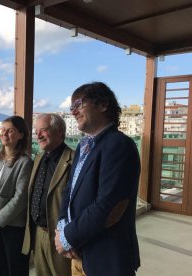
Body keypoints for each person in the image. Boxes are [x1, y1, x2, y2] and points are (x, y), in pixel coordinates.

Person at [55, 82, 141, 276]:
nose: (73, 111)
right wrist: (62, 227)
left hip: (106, 259)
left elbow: (108, 206)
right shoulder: (84, 145)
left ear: (102, 105)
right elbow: (69, 190)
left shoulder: (118, 145)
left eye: (79, 104)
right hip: (79, 253)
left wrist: (67, 236)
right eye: (71, 107)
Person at [0, 116, 33, 276]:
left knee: (14, 270)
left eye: (10, 131)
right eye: (3, 130)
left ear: (21, 135)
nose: (5, 134)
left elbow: (20, 198)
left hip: (13, 228)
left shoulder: (25, 162)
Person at [22, 113, 74, 276]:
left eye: (43, 130)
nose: (38, 135)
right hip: (37, 233)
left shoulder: (73, 160)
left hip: (60, 236)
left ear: (59, 131)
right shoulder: (38, 158)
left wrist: (70, 237)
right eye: (36, 131)